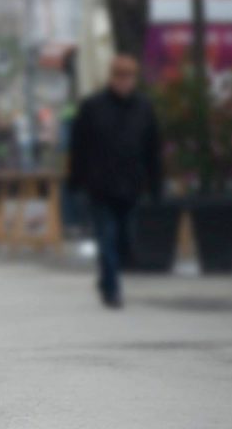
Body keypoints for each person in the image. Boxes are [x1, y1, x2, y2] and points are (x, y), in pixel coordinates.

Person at [69, 54, 162, 310]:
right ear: (111, 77)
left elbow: (152, 149)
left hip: (131, 186)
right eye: (119, 76)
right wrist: (76, 180)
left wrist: (155, 185)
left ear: (134, 79)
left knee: (124, 240)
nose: (123, 82)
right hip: (100, 185)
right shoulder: (92, 107)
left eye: (128, 77)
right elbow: (79, 147)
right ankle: (112, 289)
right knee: (106, 237)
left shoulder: (144, 108)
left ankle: (105, 278)